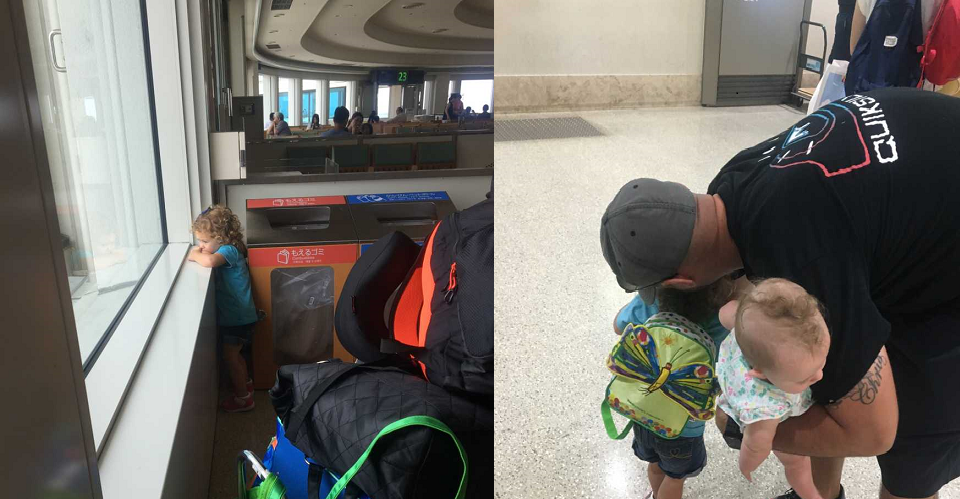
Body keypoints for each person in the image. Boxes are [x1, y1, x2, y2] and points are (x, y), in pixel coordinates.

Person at [600, 88, 960, 499]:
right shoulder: (732, 185)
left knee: (913, 449)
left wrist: (747, 422)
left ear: (680, 282)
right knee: (826, 373)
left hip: (944, 260)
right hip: (927, 187)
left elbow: (873, 432)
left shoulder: (797, 253)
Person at [612, 278, 734, 499]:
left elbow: (617, 326)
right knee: (675, 478)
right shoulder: (721, 318)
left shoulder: (649, 303)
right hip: (683, 429)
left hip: (643, 415)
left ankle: (655, 495)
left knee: (655, 464)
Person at [717, 279, 829, 499]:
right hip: (760, 414)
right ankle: (810, 495)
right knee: (797, 464)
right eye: (803, 379)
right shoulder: (766, 409)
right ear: (761, 373)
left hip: (734, 377)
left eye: (822, 362)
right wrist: (747, 465)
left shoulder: (748, 332)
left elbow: (726, 312)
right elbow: (755, 446)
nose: (820, 376)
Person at [189, 205, 258, 413]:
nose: (200, 246)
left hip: (237, 318)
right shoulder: (229, 248)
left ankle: (243, 398)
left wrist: (194, 254)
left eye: (204, 241)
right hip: (241, 316)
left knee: (231, 358)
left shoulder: (229, 251)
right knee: (237, 355)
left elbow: (209, 261)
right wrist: (201, 250)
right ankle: (246, 385)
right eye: (199, 241)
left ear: (221, 237)